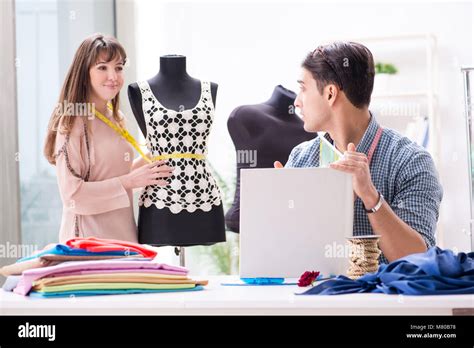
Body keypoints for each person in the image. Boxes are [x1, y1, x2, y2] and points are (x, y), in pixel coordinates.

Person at [275, 42, 443, 263]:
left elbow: (418, 261)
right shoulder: (301, 158)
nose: (296, 102)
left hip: (386, 297)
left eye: (303, 88)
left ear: (330, 93)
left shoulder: (411, 161)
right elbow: (284, 256)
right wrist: (279, 208)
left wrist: (370, 196)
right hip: (315, 296)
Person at [43, 33, 173, 243]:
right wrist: (130, 181)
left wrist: (154, 158)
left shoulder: (116, 117)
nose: (113, 76)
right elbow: (72, 196)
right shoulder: (72, 123)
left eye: (119, 67)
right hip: (88, 245)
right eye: (102, 67)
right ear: (84, 73)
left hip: (125, 240)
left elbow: (115, 174)